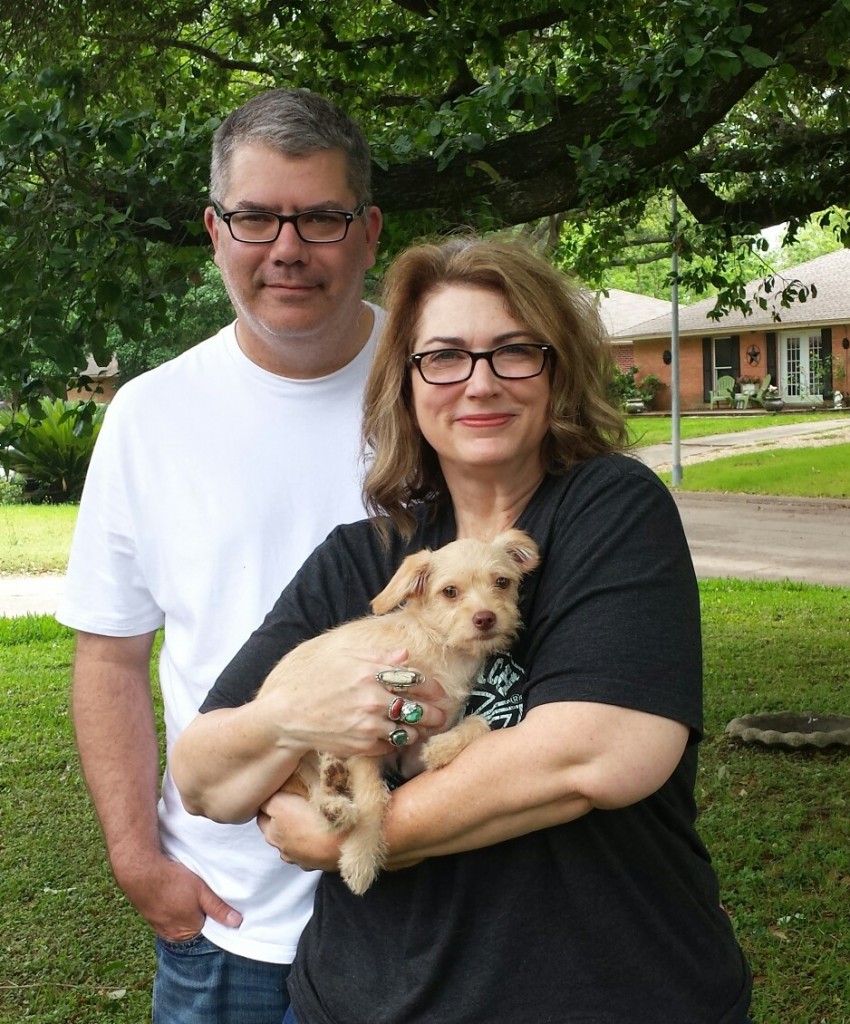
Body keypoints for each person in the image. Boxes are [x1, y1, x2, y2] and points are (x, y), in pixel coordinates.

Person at [173, 236, 754, 1023]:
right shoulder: (363, 557)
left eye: (514, 352)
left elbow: (600, 755)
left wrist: (352, 835)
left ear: (558, 372)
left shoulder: (608, 508)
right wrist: (289, 716)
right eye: (443, 357)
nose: (479, 382)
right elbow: (206, 777)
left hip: (605, 995)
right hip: (363, 1000)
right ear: (406, 384)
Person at [56, 88, 445, 1024]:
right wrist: (137, 859)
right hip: (231, 926)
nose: (288, 247)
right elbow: (110, 656)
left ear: (368, 230)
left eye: (319, 216)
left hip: (434, 894)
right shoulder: (150, 416)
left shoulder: (445, 383)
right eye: (257, 216)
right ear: (215, 230)